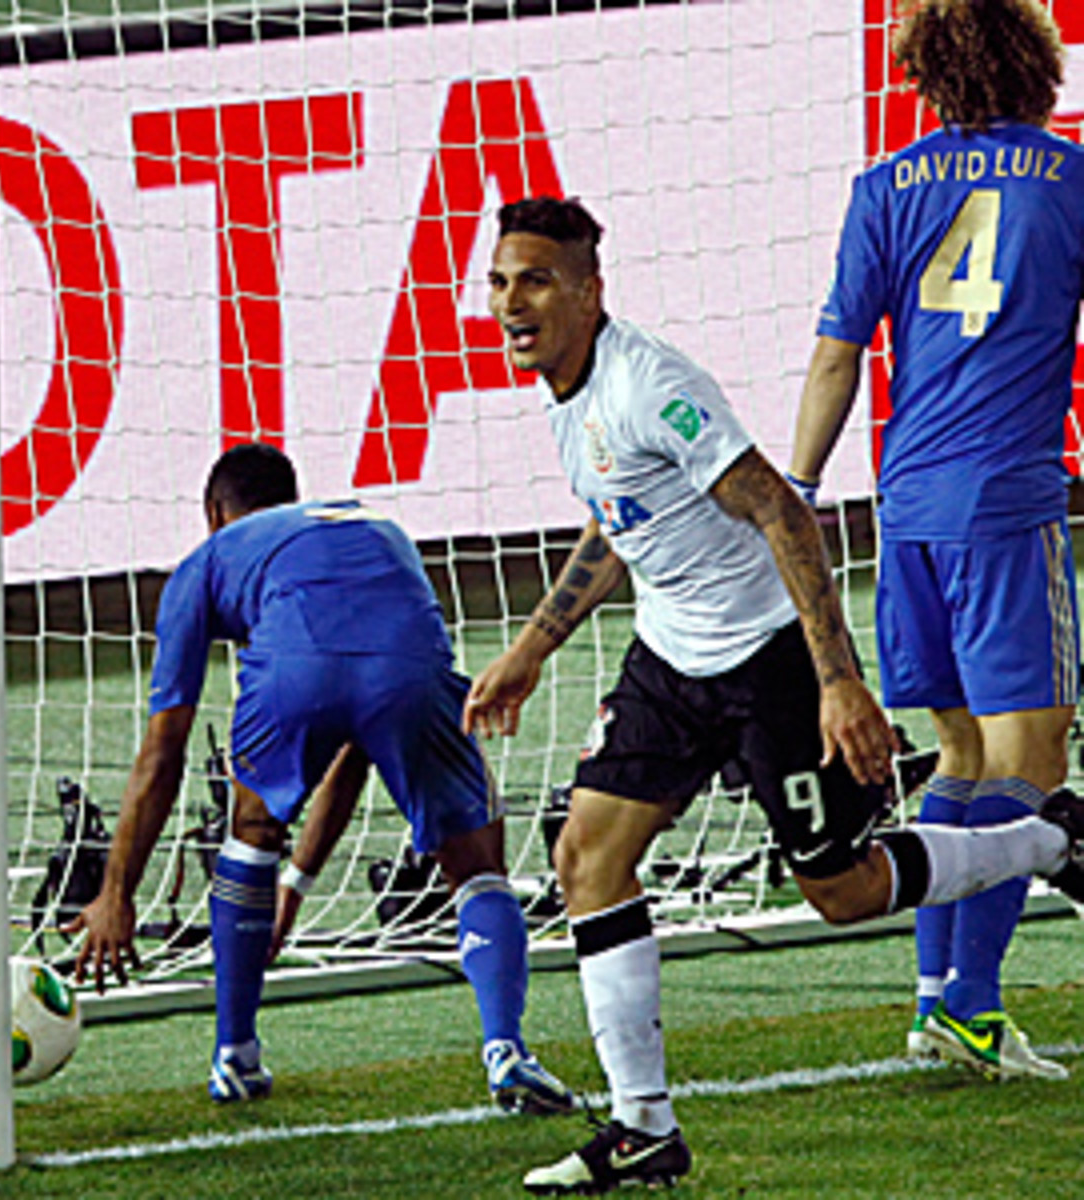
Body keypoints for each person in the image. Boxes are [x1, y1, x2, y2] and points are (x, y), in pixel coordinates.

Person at [464, 194, 1084, 1194]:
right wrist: (535, 644)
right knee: (586, 860)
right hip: (669, 661)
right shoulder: (564, 391)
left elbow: (782, 512)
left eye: (533, 280)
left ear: (588, 291)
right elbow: (618, 519)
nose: (508, 302)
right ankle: (642, 1130)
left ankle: (1052, 839)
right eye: (498, 281)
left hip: (766, 659)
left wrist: (835, 679)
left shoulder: (646, 384)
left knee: (839, 892)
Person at [68, 442, 573, 1115]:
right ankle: (507, 1051)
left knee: (249, 829)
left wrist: (116, 895)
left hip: (295, 669)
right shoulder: (373, 526)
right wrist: (298, 885)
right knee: (477, 863)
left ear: (214, 512)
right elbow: (356, 744)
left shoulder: (209, 559)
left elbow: (164, 751)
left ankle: (235, 1055)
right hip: (411, 663)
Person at [788, 0, 1083, 1082]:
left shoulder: (882, 187)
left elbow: (835, 359)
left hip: (903, 507)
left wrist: (795, 493)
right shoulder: (1069, 177)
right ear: (1031, 66)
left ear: (928, 76)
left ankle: (931, 1003)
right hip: (1006, 507)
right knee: (1030, 764)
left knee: (959, 757)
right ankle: (971, 1005)